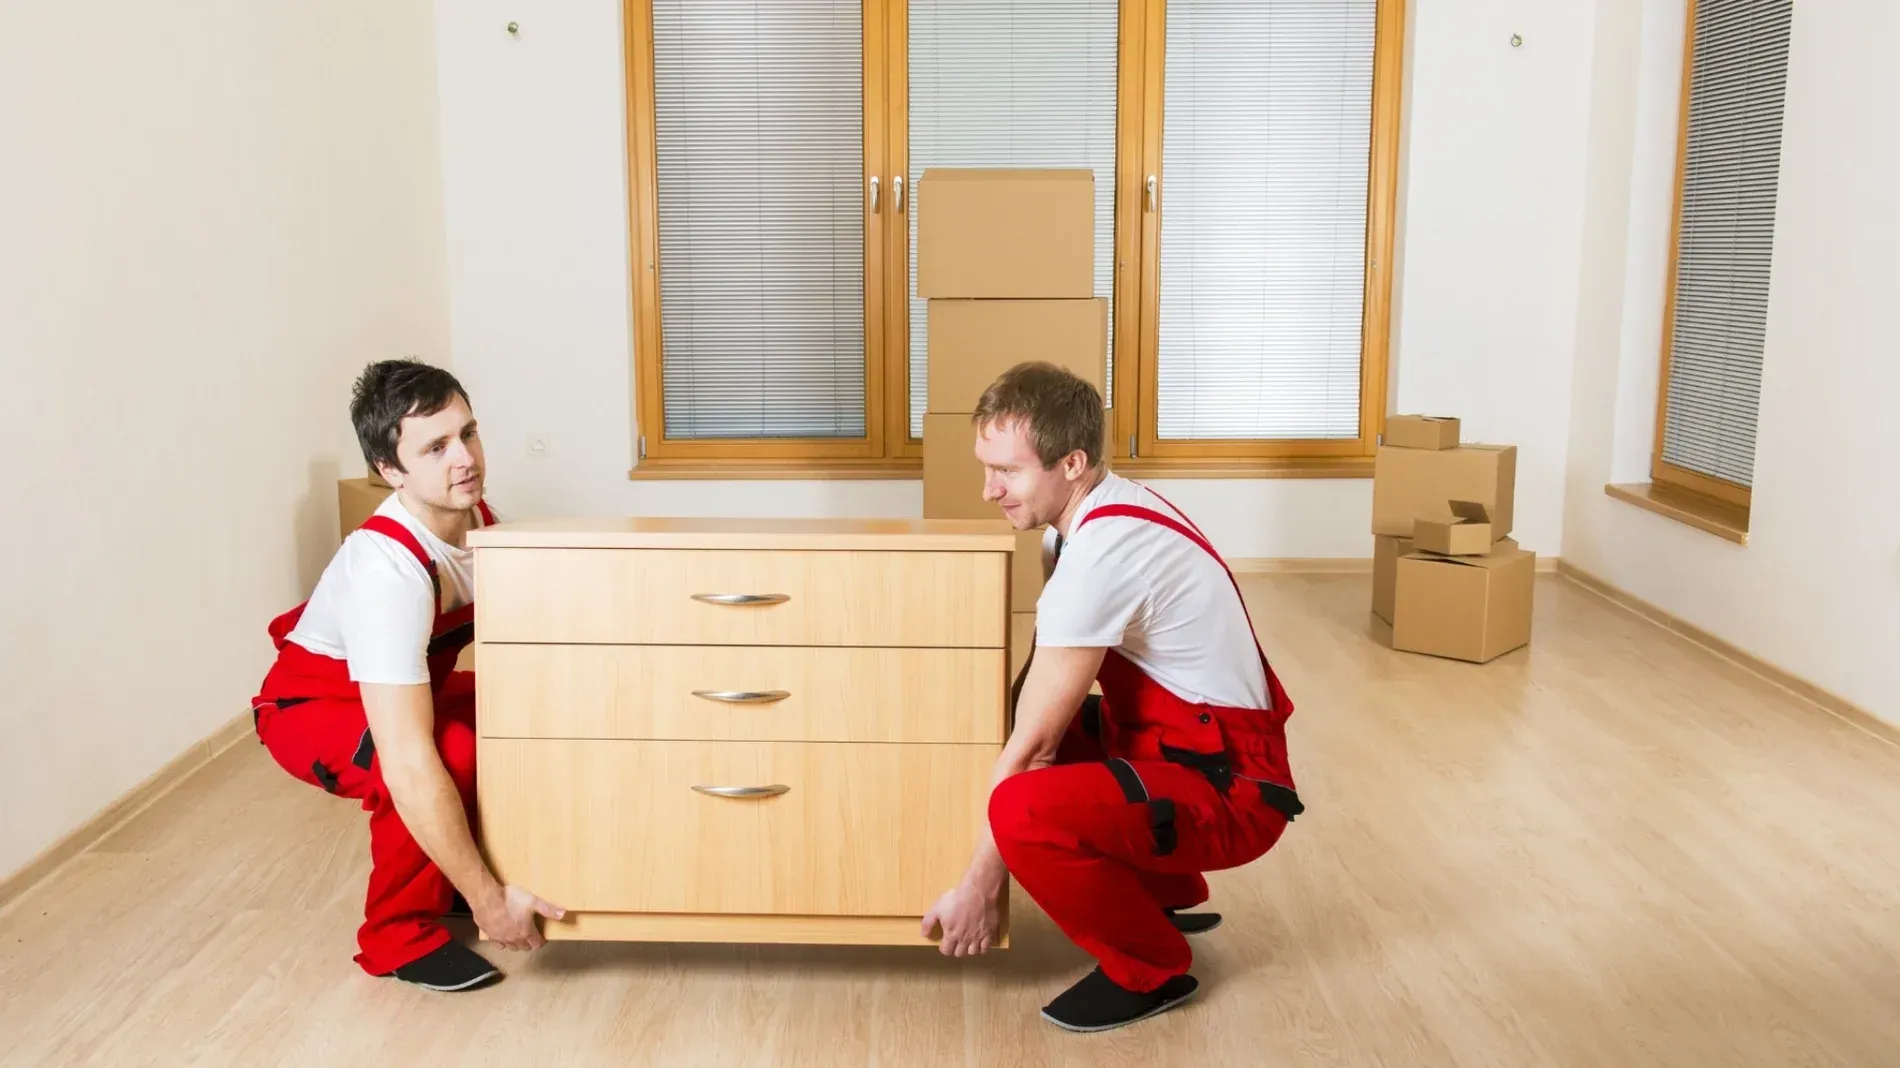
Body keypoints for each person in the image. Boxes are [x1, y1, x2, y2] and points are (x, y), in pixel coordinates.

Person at [921, 362, 1305, 1033]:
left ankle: (1152, 967)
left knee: (1020, 807)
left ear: (1071, 462)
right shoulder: (1084, 521)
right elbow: (1041, 700)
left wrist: (982, 882)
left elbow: (1032, 750)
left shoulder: (1102, 554)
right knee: (1033, 716)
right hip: (1186, 746)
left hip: (1233, 791)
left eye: (1007, 471)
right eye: (986, 467)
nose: (988, 490)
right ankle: (1165, 890)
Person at [250, 360, 564, 992]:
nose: (465, 458)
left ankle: (461, 871)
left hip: (402, 688)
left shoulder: (478, 521)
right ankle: (396, 936)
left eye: (468, 434)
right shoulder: (386, 570)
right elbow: (407, 757)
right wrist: (489, 905)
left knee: (534, 712)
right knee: (446, 754)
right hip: (312, 708)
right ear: (390, 470)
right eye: (436, 447)